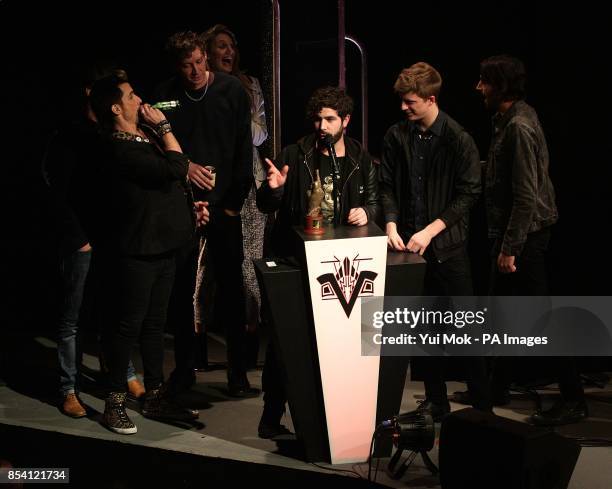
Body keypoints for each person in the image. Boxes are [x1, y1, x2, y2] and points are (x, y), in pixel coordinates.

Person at [256, 86, 379, 437]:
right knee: (287, 342)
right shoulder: (296, 154)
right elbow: (266, 203)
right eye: (317, 118)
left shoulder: (359, 157)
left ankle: (335, 420)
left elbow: (375, 200)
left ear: (346, 121)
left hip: (341, 264)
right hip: (296, 259)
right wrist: (276, 188)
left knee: (337, 345)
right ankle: (271, 415)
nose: (321, 126)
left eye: (329, 119)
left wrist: (365, 211)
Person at [89, 71, 205, 434]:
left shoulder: (142, 138)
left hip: (164, 246)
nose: (138, 100)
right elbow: (175, 166)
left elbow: (171, 180)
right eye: (130, 95)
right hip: (137, 251)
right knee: (129, 327)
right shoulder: (119, 147)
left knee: (155, 326)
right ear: (115, 107)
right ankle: (114, 402)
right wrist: (166, 125)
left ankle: (155, 395)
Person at [476, 55, 587, 425]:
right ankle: (496, 388)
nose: (479, 88)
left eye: (485, 82)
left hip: (526, 236)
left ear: (501, 87)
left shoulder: (518, 126)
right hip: (520, 232)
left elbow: (526, 195)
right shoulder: (510, 118)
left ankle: (573, 398)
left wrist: (511, 247)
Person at [379, 62, 491, 421]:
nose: (403, 108)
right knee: (423, 329)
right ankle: (435, 401)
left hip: (448, 250)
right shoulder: (397, 136)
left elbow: (469, 192)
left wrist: (430, 231)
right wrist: (392, 224)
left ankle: (483, 405)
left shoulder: (458, 138)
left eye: (410, 102)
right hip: (409, 250)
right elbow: (387, 186)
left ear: (430, 99)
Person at [154, 31, 255, 397]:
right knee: (182, 290)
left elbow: (244, 151)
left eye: (199, 61)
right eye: (187, 65)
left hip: (224, 206)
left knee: (231, 290)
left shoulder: (230, 91)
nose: (195, 70)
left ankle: (238, 374)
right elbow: (156, 148)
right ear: (177, 66)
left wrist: (231, 204)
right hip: (183, 207)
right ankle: (184, 369)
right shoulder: (165, 96)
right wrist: (186, 169)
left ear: (206, 58)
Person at [42, 65, 145, 419]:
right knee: (72, 318)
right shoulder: (70, 135)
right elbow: (57, 192)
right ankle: (69, 389)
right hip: (81, 240)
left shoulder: (107, 133)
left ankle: (122, 373)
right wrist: (79, 239)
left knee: (113, 310)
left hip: (109, 238)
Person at [202, 24, 268, 368]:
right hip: (209, 187)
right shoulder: (199, 89)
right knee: (204, 271)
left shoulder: (249, 85)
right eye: (221, 46)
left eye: (232, 46)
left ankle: (247, 346)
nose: (228, 52)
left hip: (249, 185)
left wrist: (239, 107)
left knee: (249, 268)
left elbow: (259, 135)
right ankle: (197, 343)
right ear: (206, 53)